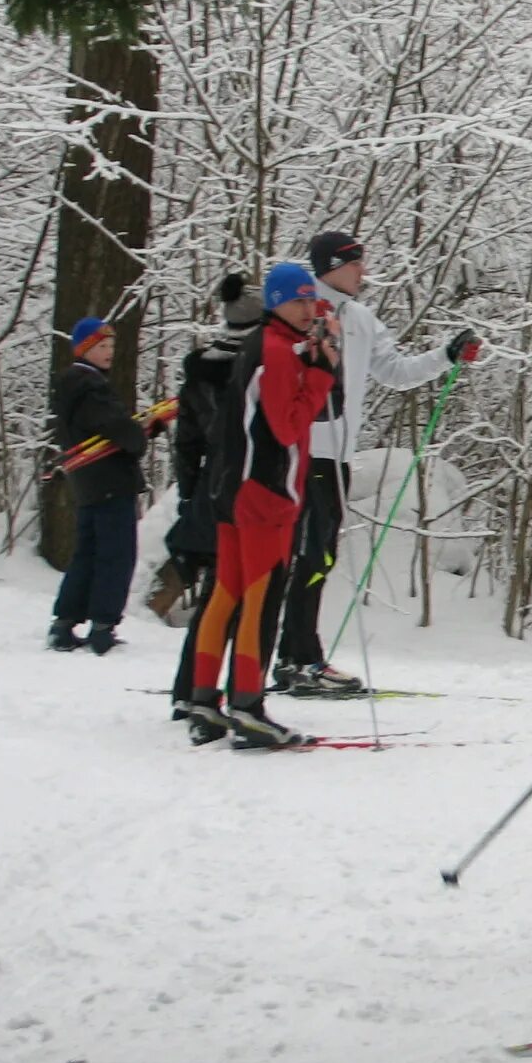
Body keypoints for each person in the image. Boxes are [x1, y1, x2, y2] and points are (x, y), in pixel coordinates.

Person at [274, 230, 482, 694]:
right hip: (302, 451)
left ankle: (299, 655)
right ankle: (296, 660)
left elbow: (395, 371)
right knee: (307, 554)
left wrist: (446, 356)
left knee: (320, 555)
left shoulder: (362, 318)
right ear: (331, 266)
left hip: (338, 456)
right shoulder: (303, 311)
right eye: (354, 264)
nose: (362, 271)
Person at [186, 263, 339, 748]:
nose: (305, 309)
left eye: (308, 301)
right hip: (265, 494)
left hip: (235, 488)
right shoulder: (274, 351)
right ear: (273, 302)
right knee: (259, 597)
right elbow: (286, 426)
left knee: (226, 594)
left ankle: (203, 699)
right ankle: (248, 706)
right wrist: (320, 375)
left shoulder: (268, 344)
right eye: (295, 301)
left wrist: (311, 361)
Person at [167, 273, 264, 724]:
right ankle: (237, 695)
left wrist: (190, 498)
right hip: (247, 490)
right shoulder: (253, 366)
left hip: (209, 489)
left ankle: (190, 690)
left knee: (215, 596)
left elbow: (186, 443)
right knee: (243, 597)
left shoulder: (200, 368)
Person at [49, 315, 173, 654]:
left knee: (87, 553)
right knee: (115, 555)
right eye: (101, 347)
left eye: (111, 346)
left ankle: (65, 622)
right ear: (85, 350)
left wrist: (143, 428)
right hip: (110, 481)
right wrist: (139, 433)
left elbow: (112, 429)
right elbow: (120, 432)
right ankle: (103, 625)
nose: (109, 353)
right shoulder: (90, 387)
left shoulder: (74, 386)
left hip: (89, 483)